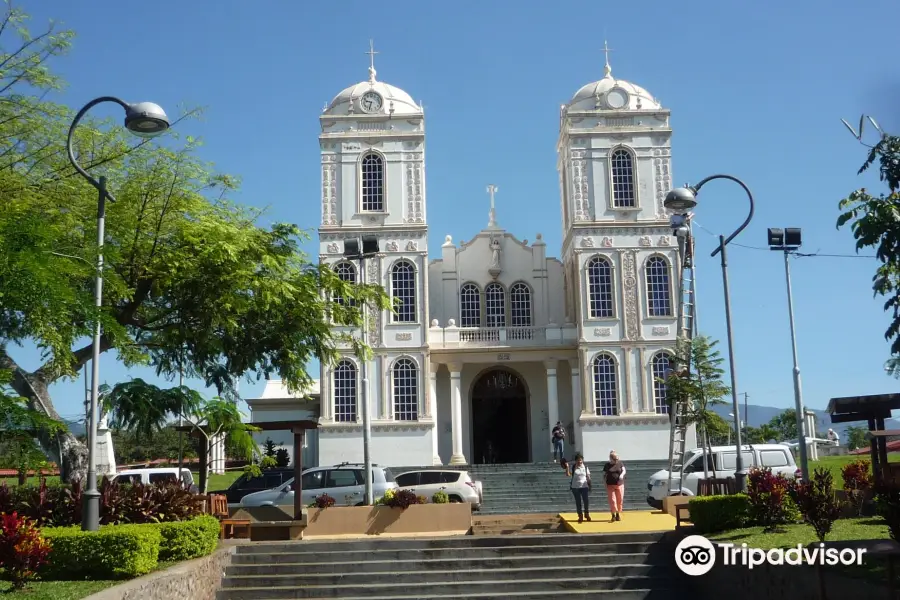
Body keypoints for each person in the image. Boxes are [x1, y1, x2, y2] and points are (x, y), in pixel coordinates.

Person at [565, 453, 591, 523]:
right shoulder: (573, 467)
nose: (579, 462)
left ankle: (586, 514)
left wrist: (589, 483)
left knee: (586, 501)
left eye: (581, 460)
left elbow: (588, 476)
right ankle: (580, 515)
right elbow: (568, 474)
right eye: (578, 460)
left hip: (584, 486)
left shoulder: (585, 467)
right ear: (576, 461)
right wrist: (567, 467)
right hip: (575, 487)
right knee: (578, 502)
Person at [603, 450, 626, 522]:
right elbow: (604, 475)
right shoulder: (607, 465)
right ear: (611, 458)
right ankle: (613, 515)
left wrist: (621, 475)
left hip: (619, 484)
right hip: (610, 485)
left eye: (617, 459)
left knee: (620, 500)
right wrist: (604, 483)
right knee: (612, 500)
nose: (616, 460)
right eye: (615, 459)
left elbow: (624, 470)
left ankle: (618, 514)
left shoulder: (620, 463)